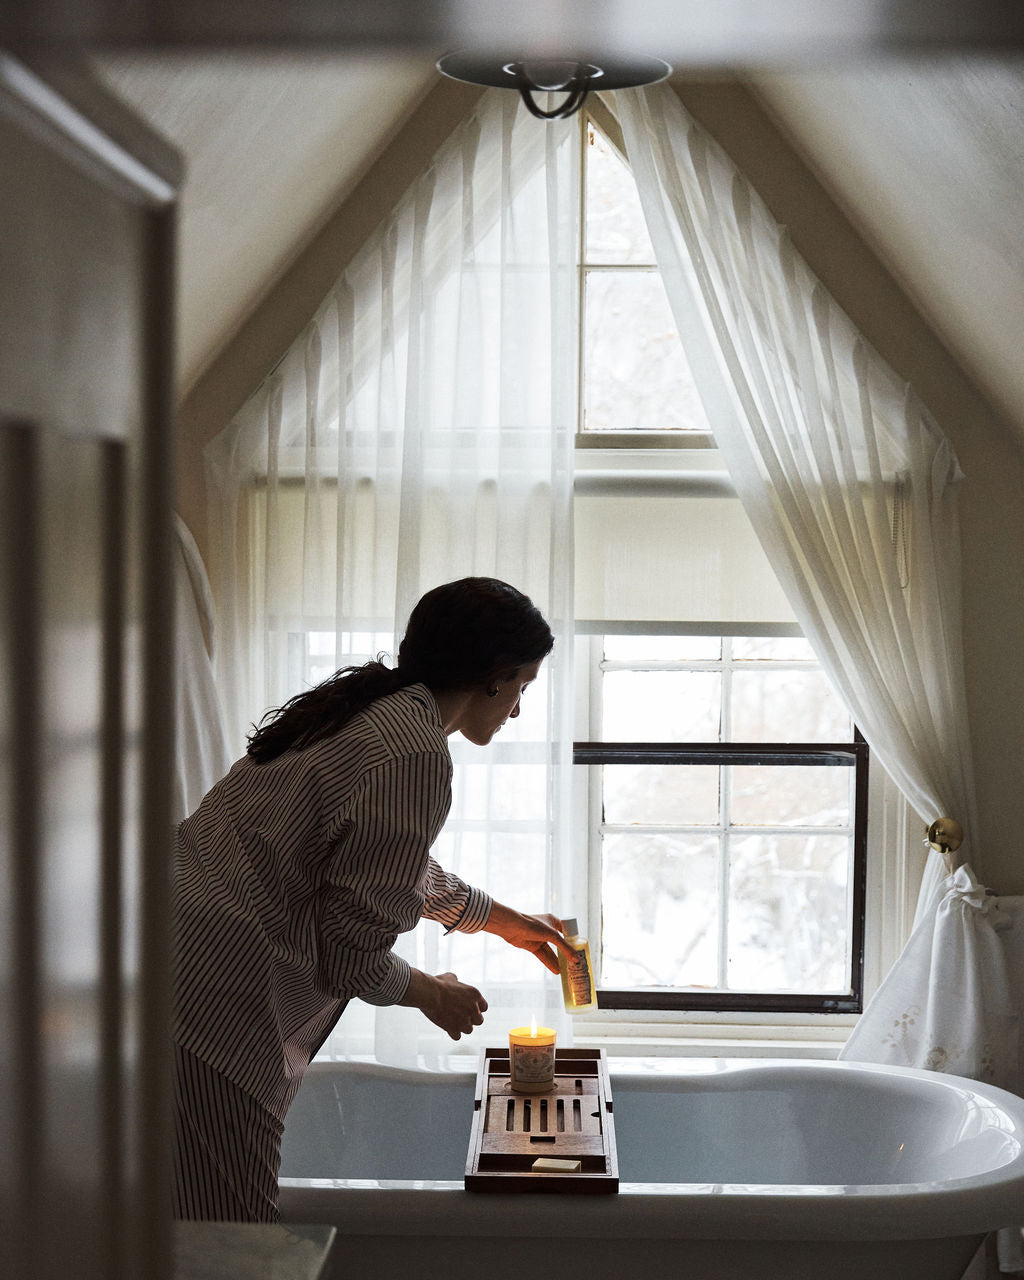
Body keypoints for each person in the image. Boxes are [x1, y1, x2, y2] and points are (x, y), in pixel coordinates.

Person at [172, 576, 574, 1223]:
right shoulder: (412, 753)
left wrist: (503, 922)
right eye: (522, 687)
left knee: (171, 1225)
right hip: (211, 1006)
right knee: (232, 1239)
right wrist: (430, 993)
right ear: (494, 675)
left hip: (155, 963)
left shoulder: (361, 713)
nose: (519, 710)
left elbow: (385, 867)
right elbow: (349, 956)